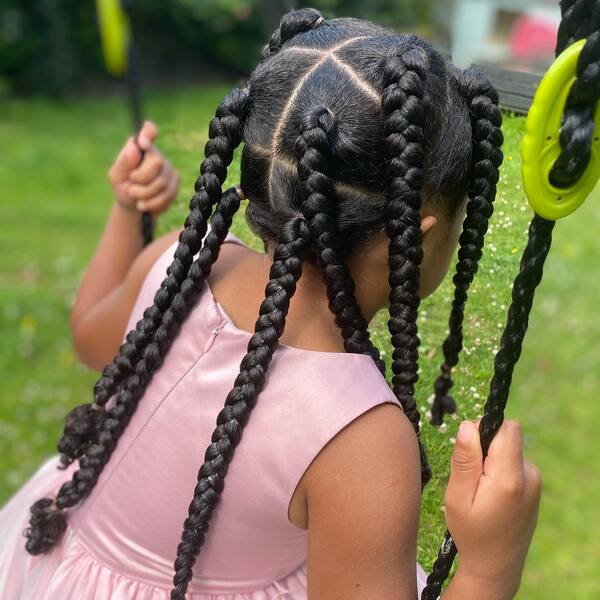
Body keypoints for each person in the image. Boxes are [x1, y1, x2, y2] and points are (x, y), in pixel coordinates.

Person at [0, 9, 541, 600]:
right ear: (413, 235)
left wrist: (128, 212)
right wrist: (491, 565)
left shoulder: (175, 264)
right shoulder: (361, 441)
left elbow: (89, 336)